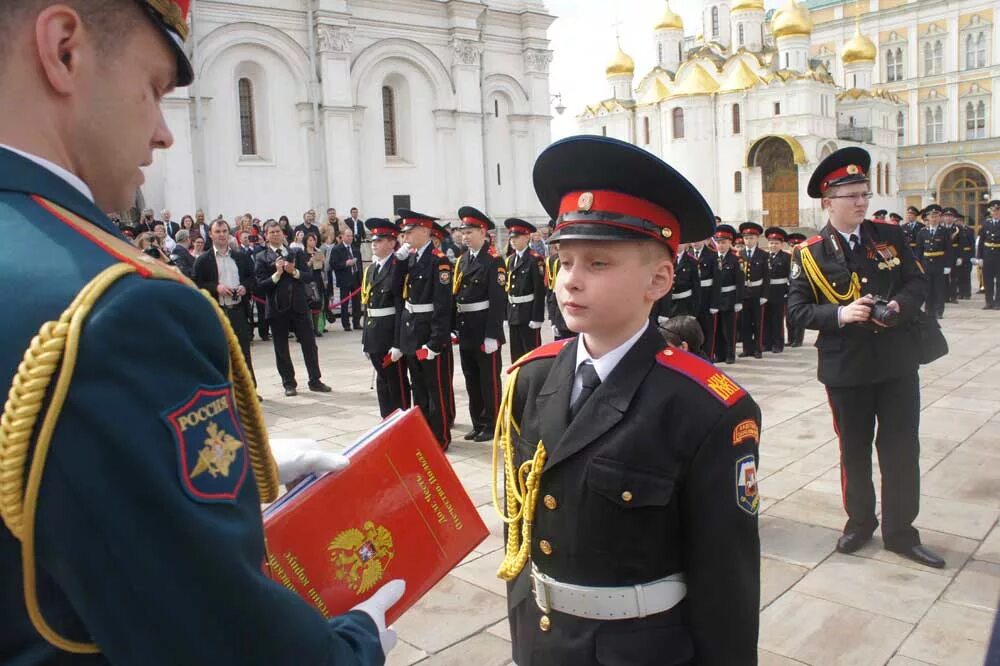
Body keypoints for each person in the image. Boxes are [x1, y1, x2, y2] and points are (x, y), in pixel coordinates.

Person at [0, 1, 402, 664]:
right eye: (154, 88)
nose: (164, 133)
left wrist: (246, 465)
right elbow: (218, 641)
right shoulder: (120, 310)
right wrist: (353, 643)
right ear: (65, 48)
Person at [495, 135, 760, 666]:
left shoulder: (706, 408)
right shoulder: (531, 378)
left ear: (658, 279)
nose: (570, 280)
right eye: (564, 260)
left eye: (597, 264)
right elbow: (521, 528)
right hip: (542, 639)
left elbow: (726, 579)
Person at [787, 146, 943, 569]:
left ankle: (901, 532)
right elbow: (797, 311)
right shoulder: (810, 253)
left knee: (900, 449)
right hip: (847, 368)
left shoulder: (889, 236)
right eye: (851, 195)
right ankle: (859, 523)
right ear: (827, 201)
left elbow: (916, 283)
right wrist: (841, 313)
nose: (861, 202)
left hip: (895, 363)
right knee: (853, 451)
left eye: (864, 194)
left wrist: (898, 309)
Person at [395, 209, 454, 449]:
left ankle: (440, 438)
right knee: (417, 387)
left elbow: (443, 305)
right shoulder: (410, 257)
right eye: (404, 232)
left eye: (410, 231)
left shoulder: (438, 259)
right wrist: (398, 262)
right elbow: (396, 289)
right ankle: (424, 433)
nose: (405, 236)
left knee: (434, 388)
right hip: (412, 330)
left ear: (424, 231)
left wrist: (436, 341)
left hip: (429, 331)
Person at [255, 220, 332, 396]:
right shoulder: (261, 257)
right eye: (271, 232)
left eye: (278, 231)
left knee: (310, 344)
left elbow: (308, 277)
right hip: (277, 308)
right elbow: (260, 285)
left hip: (299, 306)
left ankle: (315, 379)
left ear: (283, 234)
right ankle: (289, 383)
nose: (275, 234)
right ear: (266, 236)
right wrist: (277, 274)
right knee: (281, 347)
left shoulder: (295, 253)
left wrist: (294, 271)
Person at [453, 206, 507, 443]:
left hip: (485, 329)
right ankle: (478, 422)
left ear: (483, 232)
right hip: (467, 329)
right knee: (471, 378)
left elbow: (498, 301)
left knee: (488, 380)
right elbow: (457, 296)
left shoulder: (493, 261)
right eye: (463, 231)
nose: (465, 236)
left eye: (470, 231)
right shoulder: (463, 260)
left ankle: (494, 424)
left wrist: (493, 335)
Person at [194, 219, 259, 393]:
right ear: (210, 234)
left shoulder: (240, 257)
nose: (222, 235)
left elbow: (252, 277)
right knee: (220, 353)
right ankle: (225, 391)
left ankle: (249, 391)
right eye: (218, 231)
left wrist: (244, 287)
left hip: (238, 310)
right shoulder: (203, 260)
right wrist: (216, 287)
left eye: (224, 231)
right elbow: (196, 284)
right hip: (217, 312)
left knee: (243, 352)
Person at [361, 218, 410, 417]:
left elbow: (400, 307)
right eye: (373, 240)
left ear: (392, 243)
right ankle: (386, 419)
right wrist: (365, 339)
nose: (374, 243)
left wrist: (398, 343)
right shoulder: (371, 269)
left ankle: (402, 421)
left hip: (390, 334)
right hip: (374, 334)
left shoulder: (398, 267)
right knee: (382, 382)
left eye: (380, 240)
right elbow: (367, 305)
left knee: (396, 382)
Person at [504, 218, 546, 365]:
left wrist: (537, 317)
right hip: (514, 314)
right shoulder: (510, 260)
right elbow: (508, 288)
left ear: (527, 237)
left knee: (531, 355)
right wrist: (506, 313)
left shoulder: (535, 259)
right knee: (516, 357)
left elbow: (540, 290)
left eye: (516, 237)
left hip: (528, 315)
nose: (512, 241)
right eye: (511, 237)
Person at [706, 224, 743, 364]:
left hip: (730, 298)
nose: (721, 246)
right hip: (715, 299)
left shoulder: (735, 260)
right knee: (717, 329)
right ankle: (719, 354)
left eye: (724, 243)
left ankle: (730, 354)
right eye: (719, 242)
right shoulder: (713, 259)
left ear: (730, 243)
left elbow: (740, 282)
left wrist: (739, 300)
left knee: (729, 329)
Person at [915, 204, 952, 319]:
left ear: (939, 217)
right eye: (932, 216)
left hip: (939, 263)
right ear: (928, 218)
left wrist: (948, 265)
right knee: (928, 289)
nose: (934, 219)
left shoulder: (944, 231)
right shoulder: (922, 232)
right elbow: (919, 251)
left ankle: (938, 310)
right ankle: (928, 311)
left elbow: (949, 249)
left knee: (939, 289)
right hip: (926, 264)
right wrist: (918, 265)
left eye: (936, 216)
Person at [738, 221, 769, 359]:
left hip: (757, 292)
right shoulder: (740, 254)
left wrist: (765, 294)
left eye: (751, 238)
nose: (748, 241)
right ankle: (747, 349)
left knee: (758, 322)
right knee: (745, 322)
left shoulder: (763, 255)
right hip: (744, 293)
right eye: (746, 238)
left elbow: (767, 277)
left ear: (757, 239)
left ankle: (757, 349)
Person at [654, 241, 701, 323]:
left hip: (684, 305)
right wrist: (663, 312)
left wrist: (693, 312)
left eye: (681, 243)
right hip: (666, 305)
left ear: (686, 244)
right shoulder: (665, 259)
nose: (679, 245)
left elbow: (696, 289)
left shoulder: (692, 262)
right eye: (677, 242)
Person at [329, 227, 364, 331]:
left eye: (351, 236)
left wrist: (361, 278)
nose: (350, 238)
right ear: (342, 236)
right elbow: (333, 264)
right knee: (344, 302)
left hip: (355, 277)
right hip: (344, 278)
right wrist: (345, 263)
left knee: (357, 302)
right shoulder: (337, 249)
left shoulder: (355, 249)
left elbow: (360, 265)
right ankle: (346, 324)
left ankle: (356, 322)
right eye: (348, 236)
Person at [763, 227, 791, 353]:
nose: (773, 245)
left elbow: (791, 276)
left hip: (780, 291)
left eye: (776, 243)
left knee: (777, 319)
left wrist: (788, 291)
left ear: (782, 244)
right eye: (771, 243)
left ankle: (778, 344)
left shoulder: (787, 257)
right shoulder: (765, 256)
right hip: (766, 292)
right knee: (766, 318)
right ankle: (766, 343)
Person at [691, 236, 718, 351]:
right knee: (693, 328)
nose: (695, 242)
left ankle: (708, 354)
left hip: (707, 296)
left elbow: (717, 281)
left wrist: (714, 303)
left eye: (697, 239)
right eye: (692, 240)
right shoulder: (688, 255)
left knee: (708, 328)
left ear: (704, 240)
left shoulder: (712, 255)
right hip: (692, 297)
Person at [785, 232, 807, 347]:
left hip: (800, 289)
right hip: (788, 289)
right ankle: (790, 338)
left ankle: (798, 339)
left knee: (799, 314)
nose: (794, 248)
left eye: (796, 245)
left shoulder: (804, 258)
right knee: (789, 316)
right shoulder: (787, 258)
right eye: (792, 245)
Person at [976, 200, 1000, 310]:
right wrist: (979, 257)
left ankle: (998, 302)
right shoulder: (986, 224)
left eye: (997, 210)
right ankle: (988, 302)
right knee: (987, 280)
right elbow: (981, 241)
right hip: (987, 255)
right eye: (993, 210)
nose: (994, 212)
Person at [304, 232, 328, 335]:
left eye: (314, 240)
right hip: (308, 280)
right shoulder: (303, 253)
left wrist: (323, 261)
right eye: (310, 240)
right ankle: (308, 328)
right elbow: (303, 268)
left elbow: (323, 268)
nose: (312, 242)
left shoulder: (318, 252)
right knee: (309, 304)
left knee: (318, 304)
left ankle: (316, 328)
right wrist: (310, 261)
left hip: (318, 279)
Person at [952, 212, 975, 300]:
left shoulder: (968, 230)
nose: (958, 222)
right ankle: (960, 293)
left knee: (966, 275)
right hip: (958, 254)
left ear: (962, 221)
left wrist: (972, 256)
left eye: (959, 221)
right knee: (959, 275)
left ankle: (967, 293)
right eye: (957, 221)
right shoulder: (955, 230)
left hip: (967, 254)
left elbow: (972, 243)